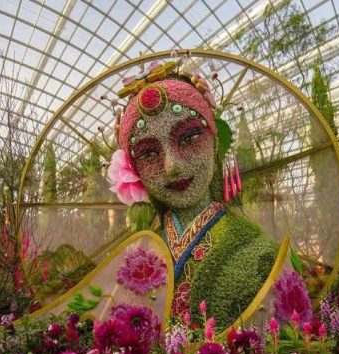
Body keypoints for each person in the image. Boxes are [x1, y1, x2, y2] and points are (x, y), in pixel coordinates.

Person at [108, 62, 277, 329]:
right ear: (134, 171)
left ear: (215, 142)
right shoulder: (142, 252)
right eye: (149, 153)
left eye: (188, 138)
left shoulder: (258, 250)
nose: (172, 166)